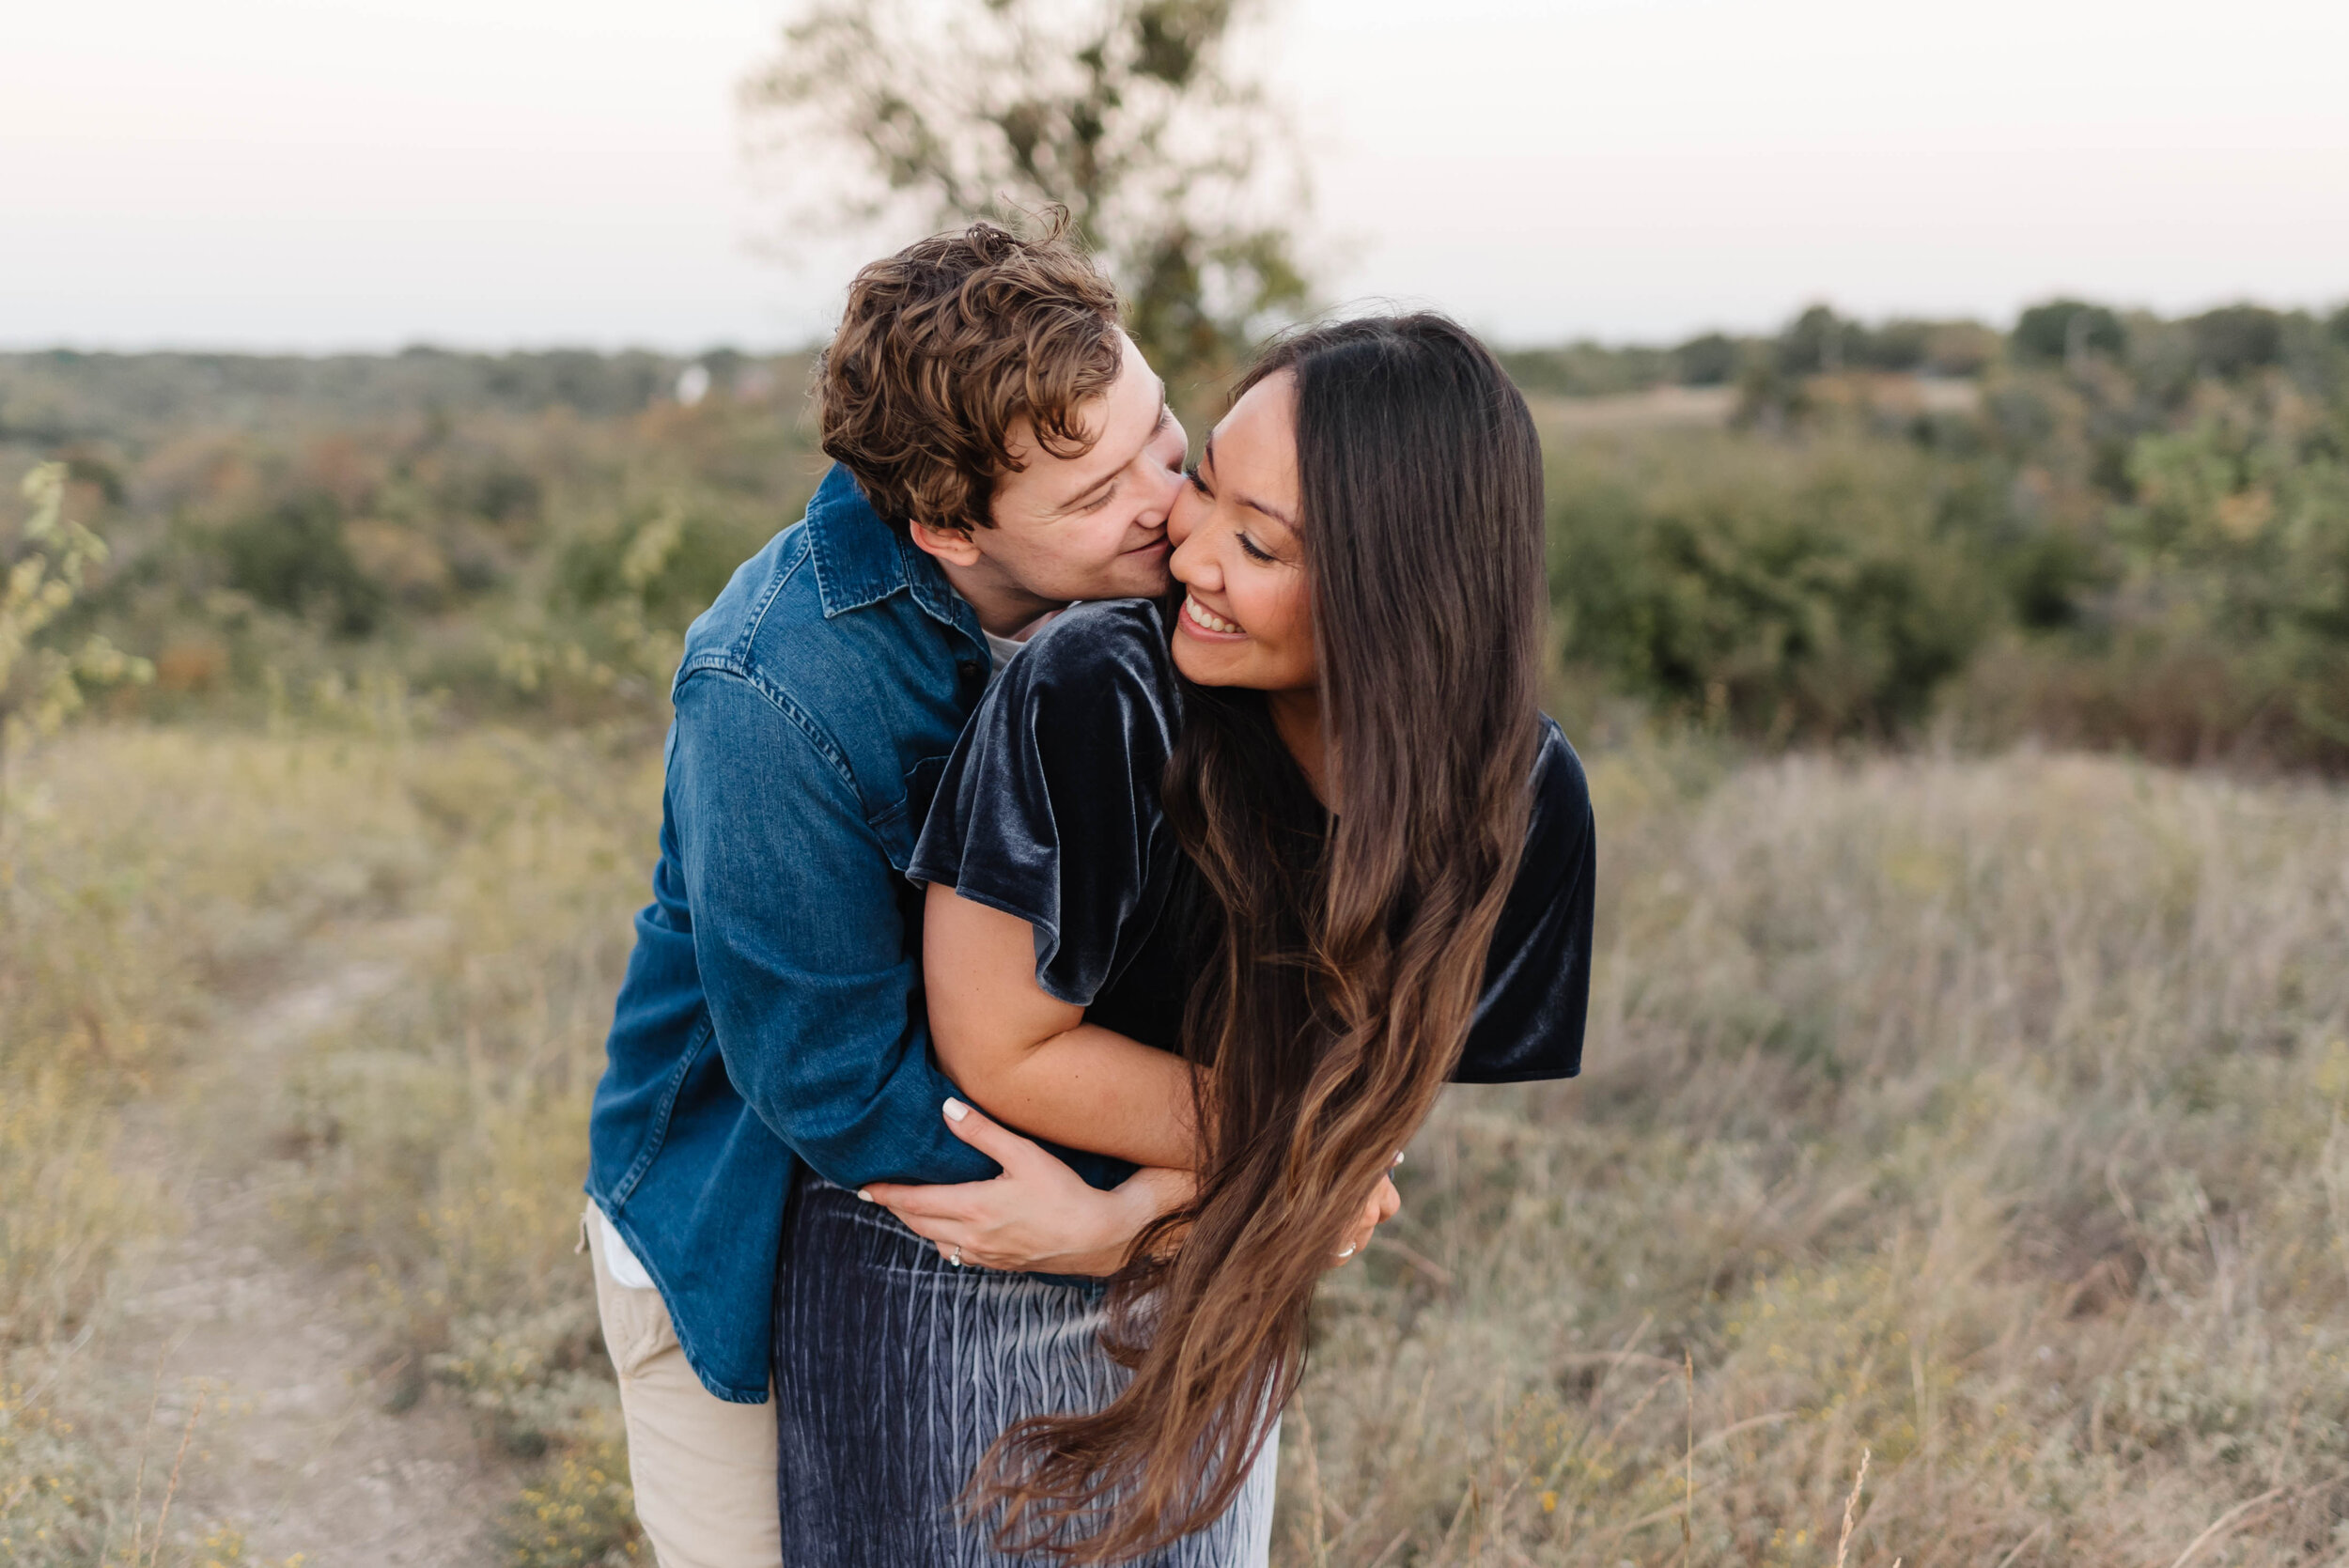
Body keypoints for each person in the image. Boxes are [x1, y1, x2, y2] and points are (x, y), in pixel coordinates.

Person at [850, 312, 1598, 1563]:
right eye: (1205, 481)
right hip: (951, 1240)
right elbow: (1001, 1048)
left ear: (1395, 595)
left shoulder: (1517, 799)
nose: (1187, 548)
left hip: (1201, 1275)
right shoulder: (1098, 689)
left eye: (1256, 542)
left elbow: (1364, 1131)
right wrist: (1292, 1160)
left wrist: (1134, 1230)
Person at [582, 217, 1217, 1568]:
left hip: (1052, 1164)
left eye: (1162, 436)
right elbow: (832, 1079)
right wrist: (1154, 1206)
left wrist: (1190, 1183)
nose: (1167, 499)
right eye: (1099, 490)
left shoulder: (1176, 574)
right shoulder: (770, 687)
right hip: (743, 1206)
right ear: (945, 526)